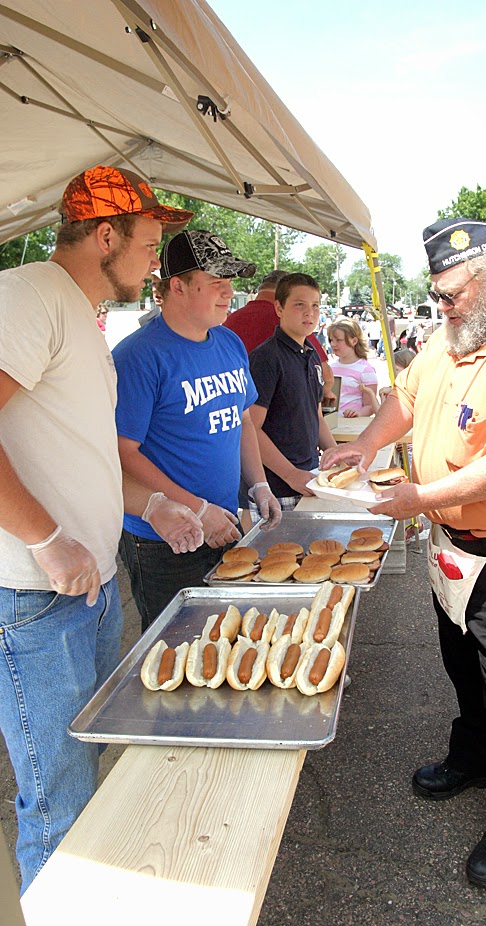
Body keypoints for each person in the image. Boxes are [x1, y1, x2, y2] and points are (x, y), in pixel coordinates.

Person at [320, 217, 486, 890]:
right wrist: (368, 447)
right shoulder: (454, 338)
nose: (441, 307)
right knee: (463, 661)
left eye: (450, 294)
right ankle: (474, 755)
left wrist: (422, 495)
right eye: (437, 295)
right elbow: (405, 400)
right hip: (456, 543)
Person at [0, 164, 205, 892]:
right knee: (58, 800)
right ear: (105, 234)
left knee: (85, 772)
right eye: (150, 245)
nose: (157, 262)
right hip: (34, 596)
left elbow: (82, 451)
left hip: (87, 589)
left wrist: (149, 505)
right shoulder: (29, 296)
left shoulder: (81, 320)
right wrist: (45, 538)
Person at [113, 230, 282, 630]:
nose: (228, 293)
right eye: (216, 283)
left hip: (226, 520)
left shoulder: (229, 343)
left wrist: (259, 484)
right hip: (162, 534)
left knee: (226, 634)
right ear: (178, 286)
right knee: (175, 643)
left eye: (230, 283)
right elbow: (123, 451)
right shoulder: (138, 356)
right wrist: (196, 508)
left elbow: (242, 420)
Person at [249, 272, 337, 516]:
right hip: (277, 488)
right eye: (299, 305)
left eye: (315, 306)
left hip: (311, 477)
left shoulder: (312, 355)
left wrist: (335, 452)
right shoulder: (265, 358)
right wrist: (290, 474)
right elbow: (251, 428)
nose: (309, 313)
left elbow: (316, 415)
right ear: (279, 308)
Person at [223, 268, 335, 396]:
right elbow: (326, 378)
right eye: (299, 303)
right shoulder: (291, 321)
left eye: (315, 305)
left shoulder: (229, 320)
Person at [327, 316, 378, 417]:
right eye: (331, 340)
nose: (333, 344)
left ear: (354, 341)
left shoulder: (366, 370)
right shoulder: (330, 368)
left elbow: (370, 406)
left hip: (351, 426)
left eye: (338, 340)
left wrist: (358, 414)